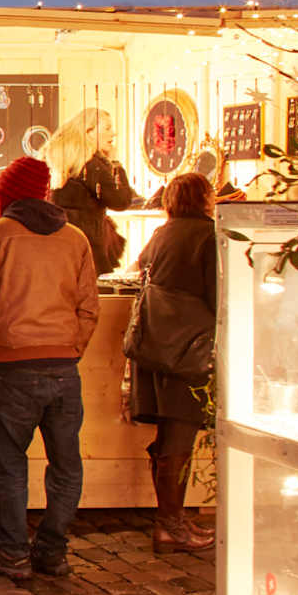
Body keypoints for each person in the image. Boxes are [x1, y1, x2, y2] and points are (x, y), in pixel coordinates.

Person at [0, 156, 99, 581]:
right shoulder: (75, 238)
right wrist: (72, 347)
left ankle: (12, 551)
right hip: (63, 366)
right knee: (66, 463)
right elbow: (89, 308)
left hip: (11, 364)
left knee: (10, 463)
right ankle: (53, 551)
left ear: (6, 195)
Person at [130, 172, 218, 554]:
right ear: (204, 199)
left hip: (156, 353)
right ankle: (170, 524)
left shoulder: (161, 234)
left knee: (168, 440)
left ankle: (172, 519)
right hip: (188, 353)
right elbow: (220, 297)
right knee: (179, 440)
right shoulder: (209, 237)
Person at [46, 108, 135, 276]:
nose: (113, 133)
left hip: (64, 249)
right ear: (90, 131)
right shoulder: (91, 166)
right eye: (107, 128)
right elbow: (121, 200)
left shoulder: (67, 162)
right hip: (89, 249)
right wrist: (115, 163)